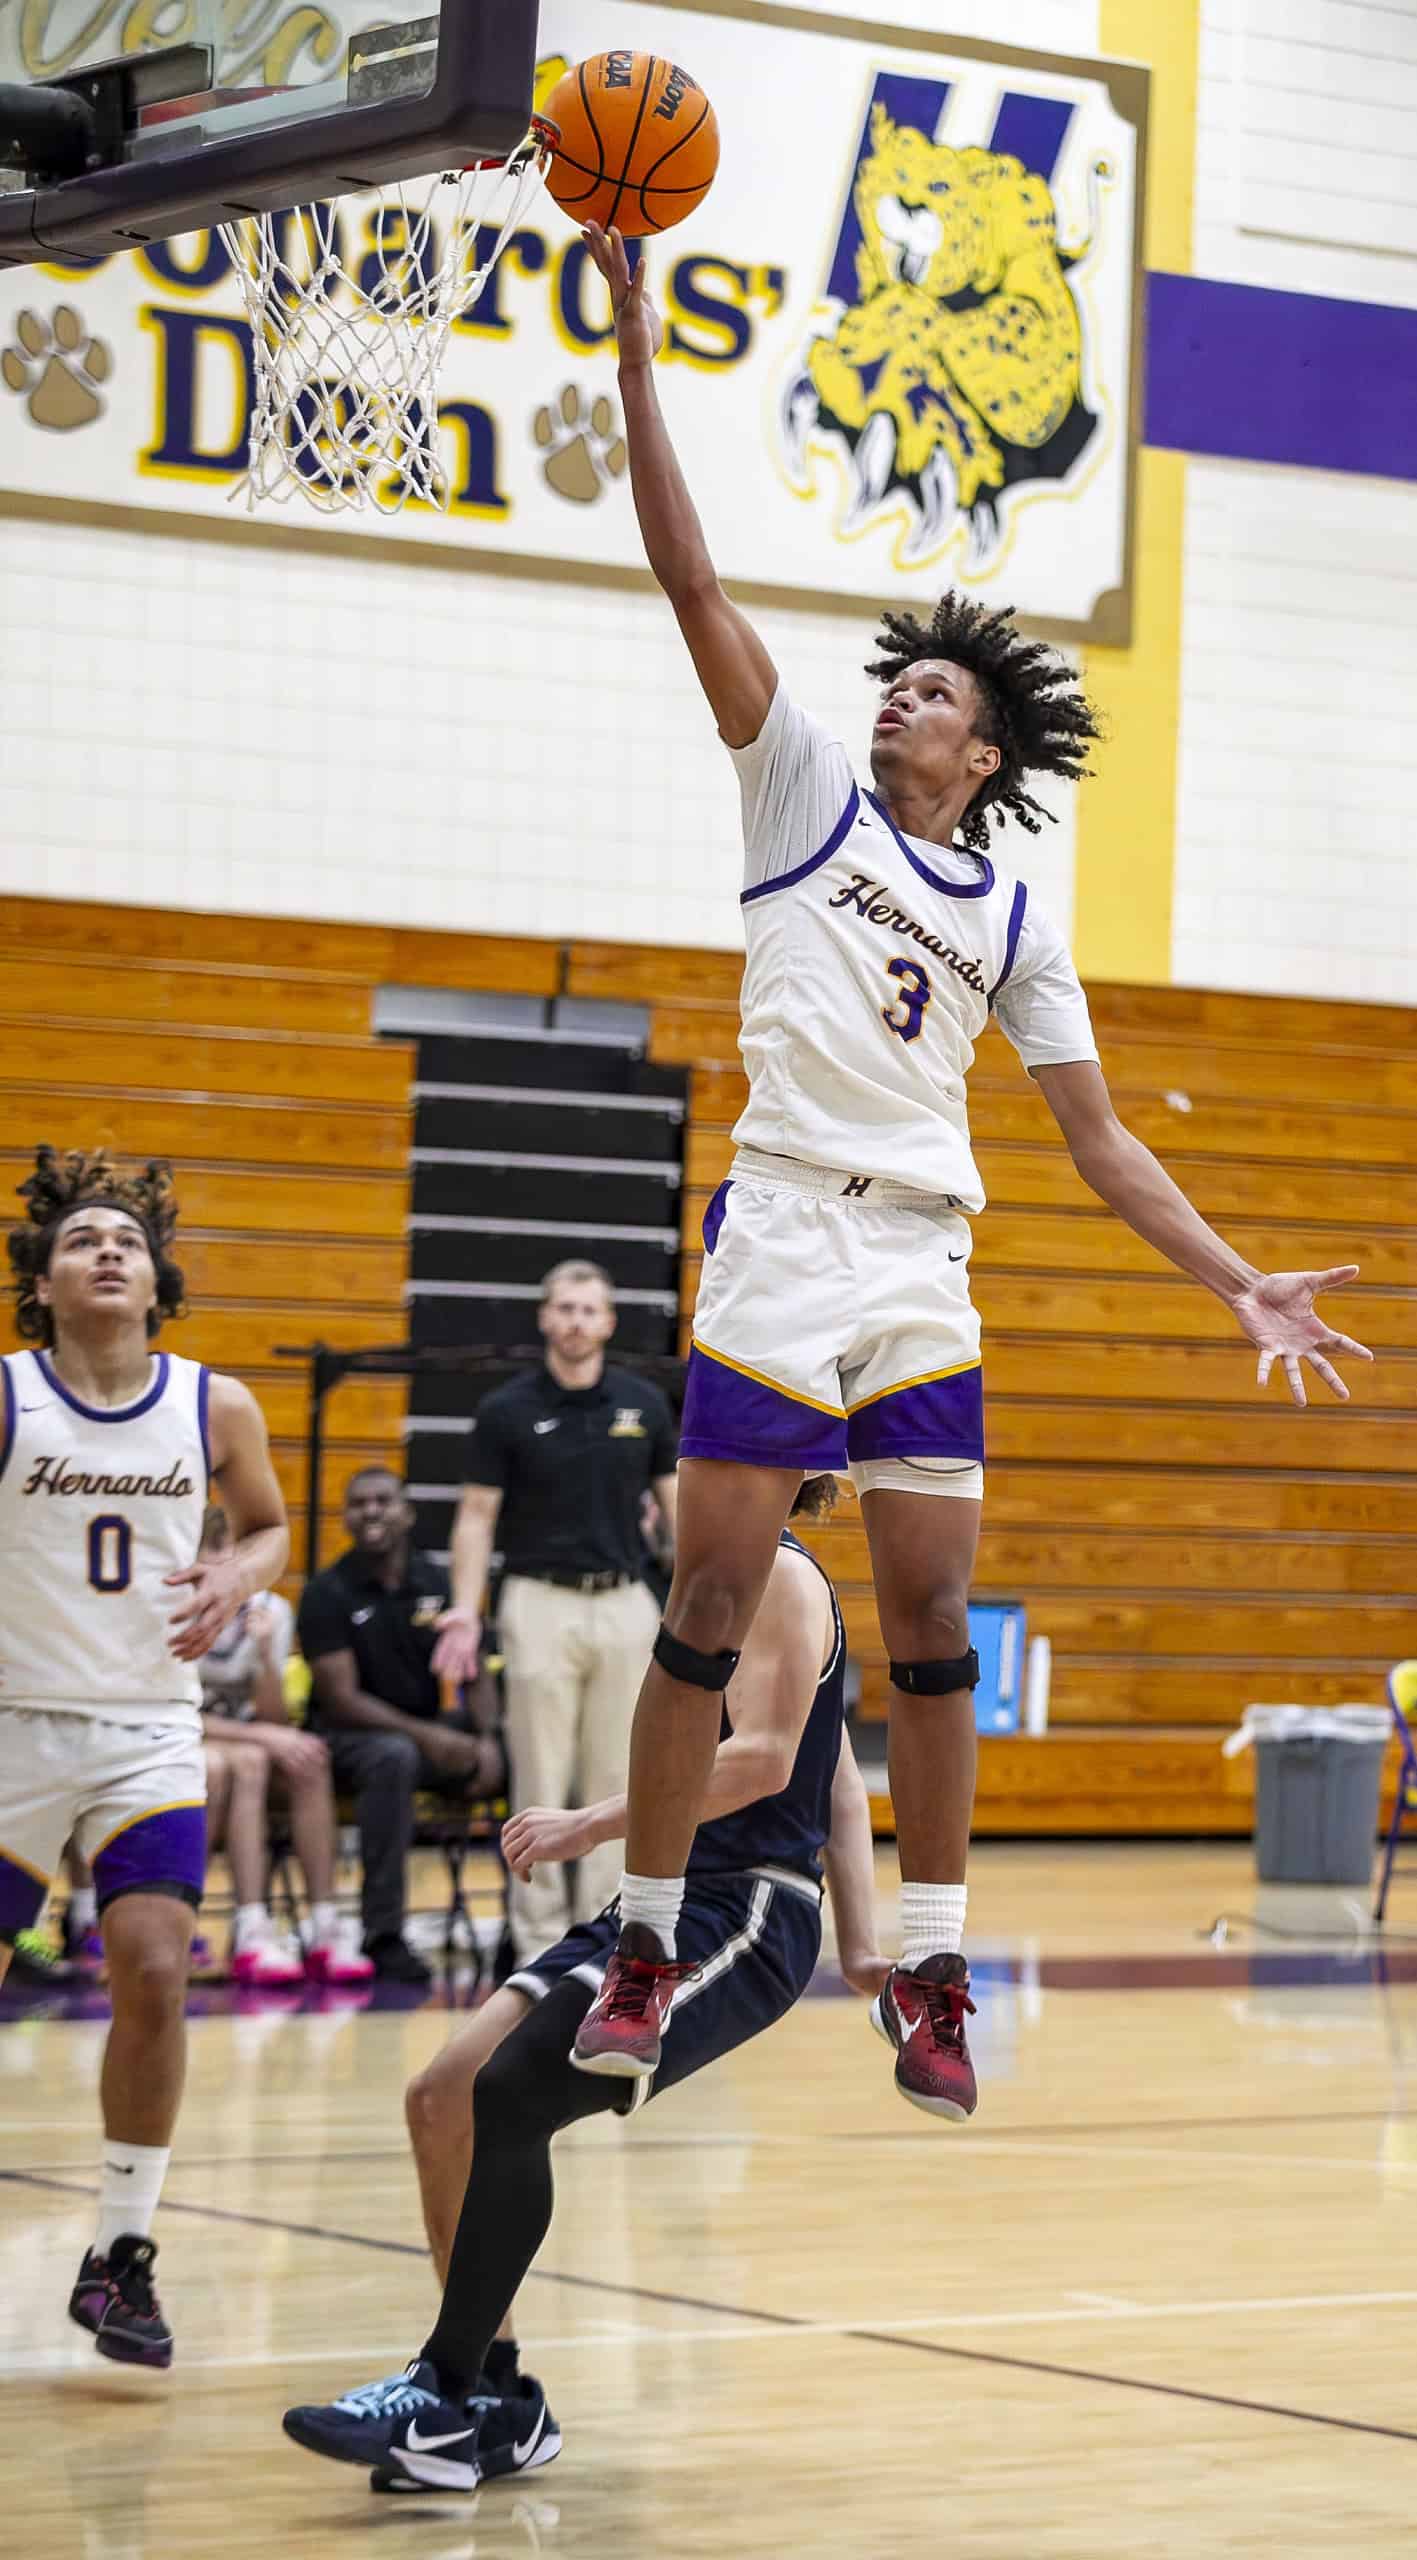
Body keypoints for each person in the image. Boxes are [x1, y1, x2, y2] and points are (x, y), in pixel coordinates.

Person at [567, 221, 1375, 2120]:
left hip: (921, 1257)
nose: (895, 701)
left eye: (928, 694)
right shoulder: (795, 794)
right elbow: (686, 573)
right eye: (895, 687)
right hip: (775, 1226)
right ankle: (642, 1937)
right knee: (711, 1596)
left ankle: (929, 1970)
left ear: (982, 743)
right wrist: (627, 358)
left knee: (930, 1622)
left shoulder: (1014, 908)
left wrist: (1233, 1276)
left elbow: (1094, 1138)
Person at [283, 1476, 886, 2493]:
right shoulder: (718, 1579)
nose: (685, 1474)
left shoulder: (779, 1575)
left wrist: (588, 1821)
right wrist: (866, 1944)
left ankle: (441, 2390)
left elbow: (774, 1761)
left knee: (512, 2093)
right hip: (661, 1898)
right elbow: (842, 1777)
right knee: (442, 2098)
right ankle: (499, 2407)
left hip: (740, 1912)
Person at [0, 1145, 289, 2367]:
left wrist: (239, 1565)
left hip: (146, 1727)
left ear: (158, 1277)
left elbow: (271, 1526)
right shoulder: (9, 1394)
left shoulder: (212, 1404)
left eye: (126, 1239)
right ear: (45, 1281)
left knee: (156, 1966)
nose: (107, 1250)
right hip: (13, 1718)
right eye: (82, 1240)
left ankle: (122, 2252)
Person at [433, 1260, 679, 1963]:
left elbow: (676, 1509)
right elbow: (475, 1518)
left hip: (626, 1603)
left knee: (616, 1781)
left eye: (588, 1310)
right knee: (539, 1775)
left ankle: (604, 1943)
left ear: (608, 1322)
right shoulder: (505, 1410)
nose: (575, 1321)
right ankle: (540, 1946)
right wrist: (462, 1610)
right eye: (563, 1308)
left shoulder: (643, 1406)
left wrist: (703, 1603)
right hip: (537, 1602)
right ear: (545, 1318)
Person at [298, 1467, 504, 1985]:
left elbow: (473, 1663)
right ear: (345, 1516)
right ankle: (383, 1935)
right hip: (346, 1740)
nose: (371, 1511)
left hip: (418, 1731)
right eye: (359, 1503)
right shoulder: (328, 1591)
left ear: (407, 1512)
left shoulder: (436, 1582)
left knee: (524, 1749)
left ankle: (524, 1928)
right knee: (394, 1756)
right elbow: (340, 1700)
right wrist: (432, 1736)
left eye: (383, 1501)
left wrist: (489, 1740)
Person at [197, 1503, 373, 1987]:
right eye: (212, 1558)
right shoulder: (176, 1608)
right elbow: (177, 1714)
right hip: (196, 1740)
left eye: (233, 1558)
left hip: (246, 1735)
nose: (224, 1571)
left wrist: (263, 1657)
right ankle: (251, 1926)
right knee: (253, 1759)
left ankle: (324, 1926)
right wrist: (262, 1734)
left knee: (310, 1760)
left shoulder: (270, 1610)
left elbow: (273, 1715)